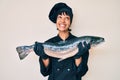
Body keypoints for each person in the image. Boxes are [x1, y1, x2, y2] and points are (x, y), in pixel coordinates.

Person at [34, 2, 90, 80]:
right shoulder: (48, 44)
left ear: (70, 22)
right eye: (60, 17)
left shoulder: (81, 43)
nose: (63, 21)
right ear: (56, 21)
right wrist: (44, 56)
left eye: (67, 18)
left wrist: (78, 56)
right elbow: (45, 72)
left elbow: (82, 72)